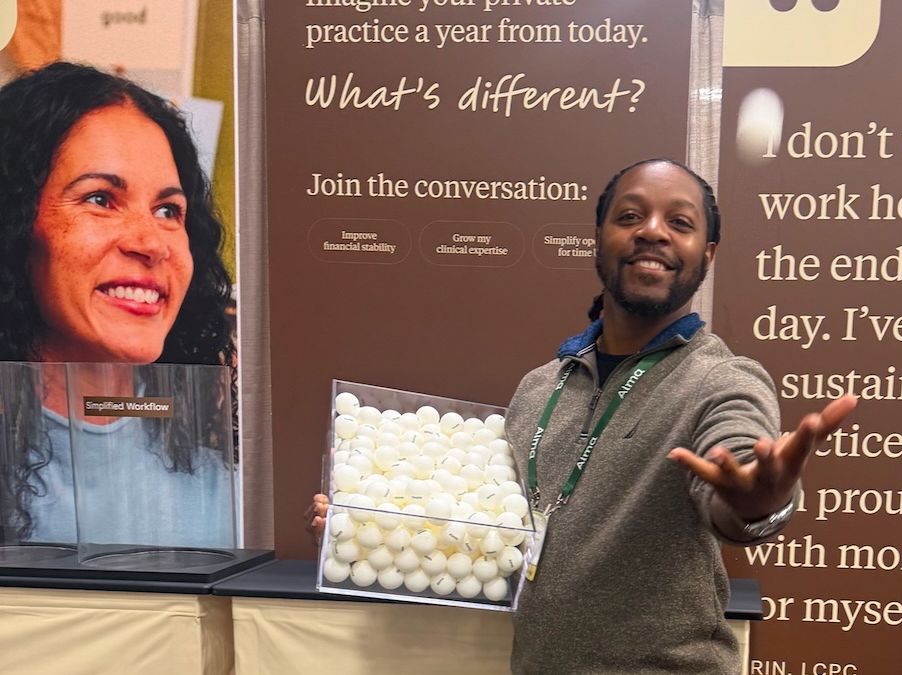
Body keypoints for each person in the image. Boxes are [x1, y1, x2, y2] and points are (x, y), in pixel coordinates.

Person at [309, 158, 854, 673]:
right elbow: (493, 539)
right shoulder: (539, 388)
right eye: (630, 216)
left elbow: (737, 465)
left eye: (680, 222)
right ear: (599, 239)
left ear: (706, 254)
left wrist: (758, 501)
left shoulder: (721, 381)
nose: (652, 231)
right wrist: (362, 528)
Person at [0, 62, 236, 547]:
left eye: (169, 210)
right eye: (101, 200)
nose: (152, 243)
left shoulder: (234, 470)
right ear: (15, 226)